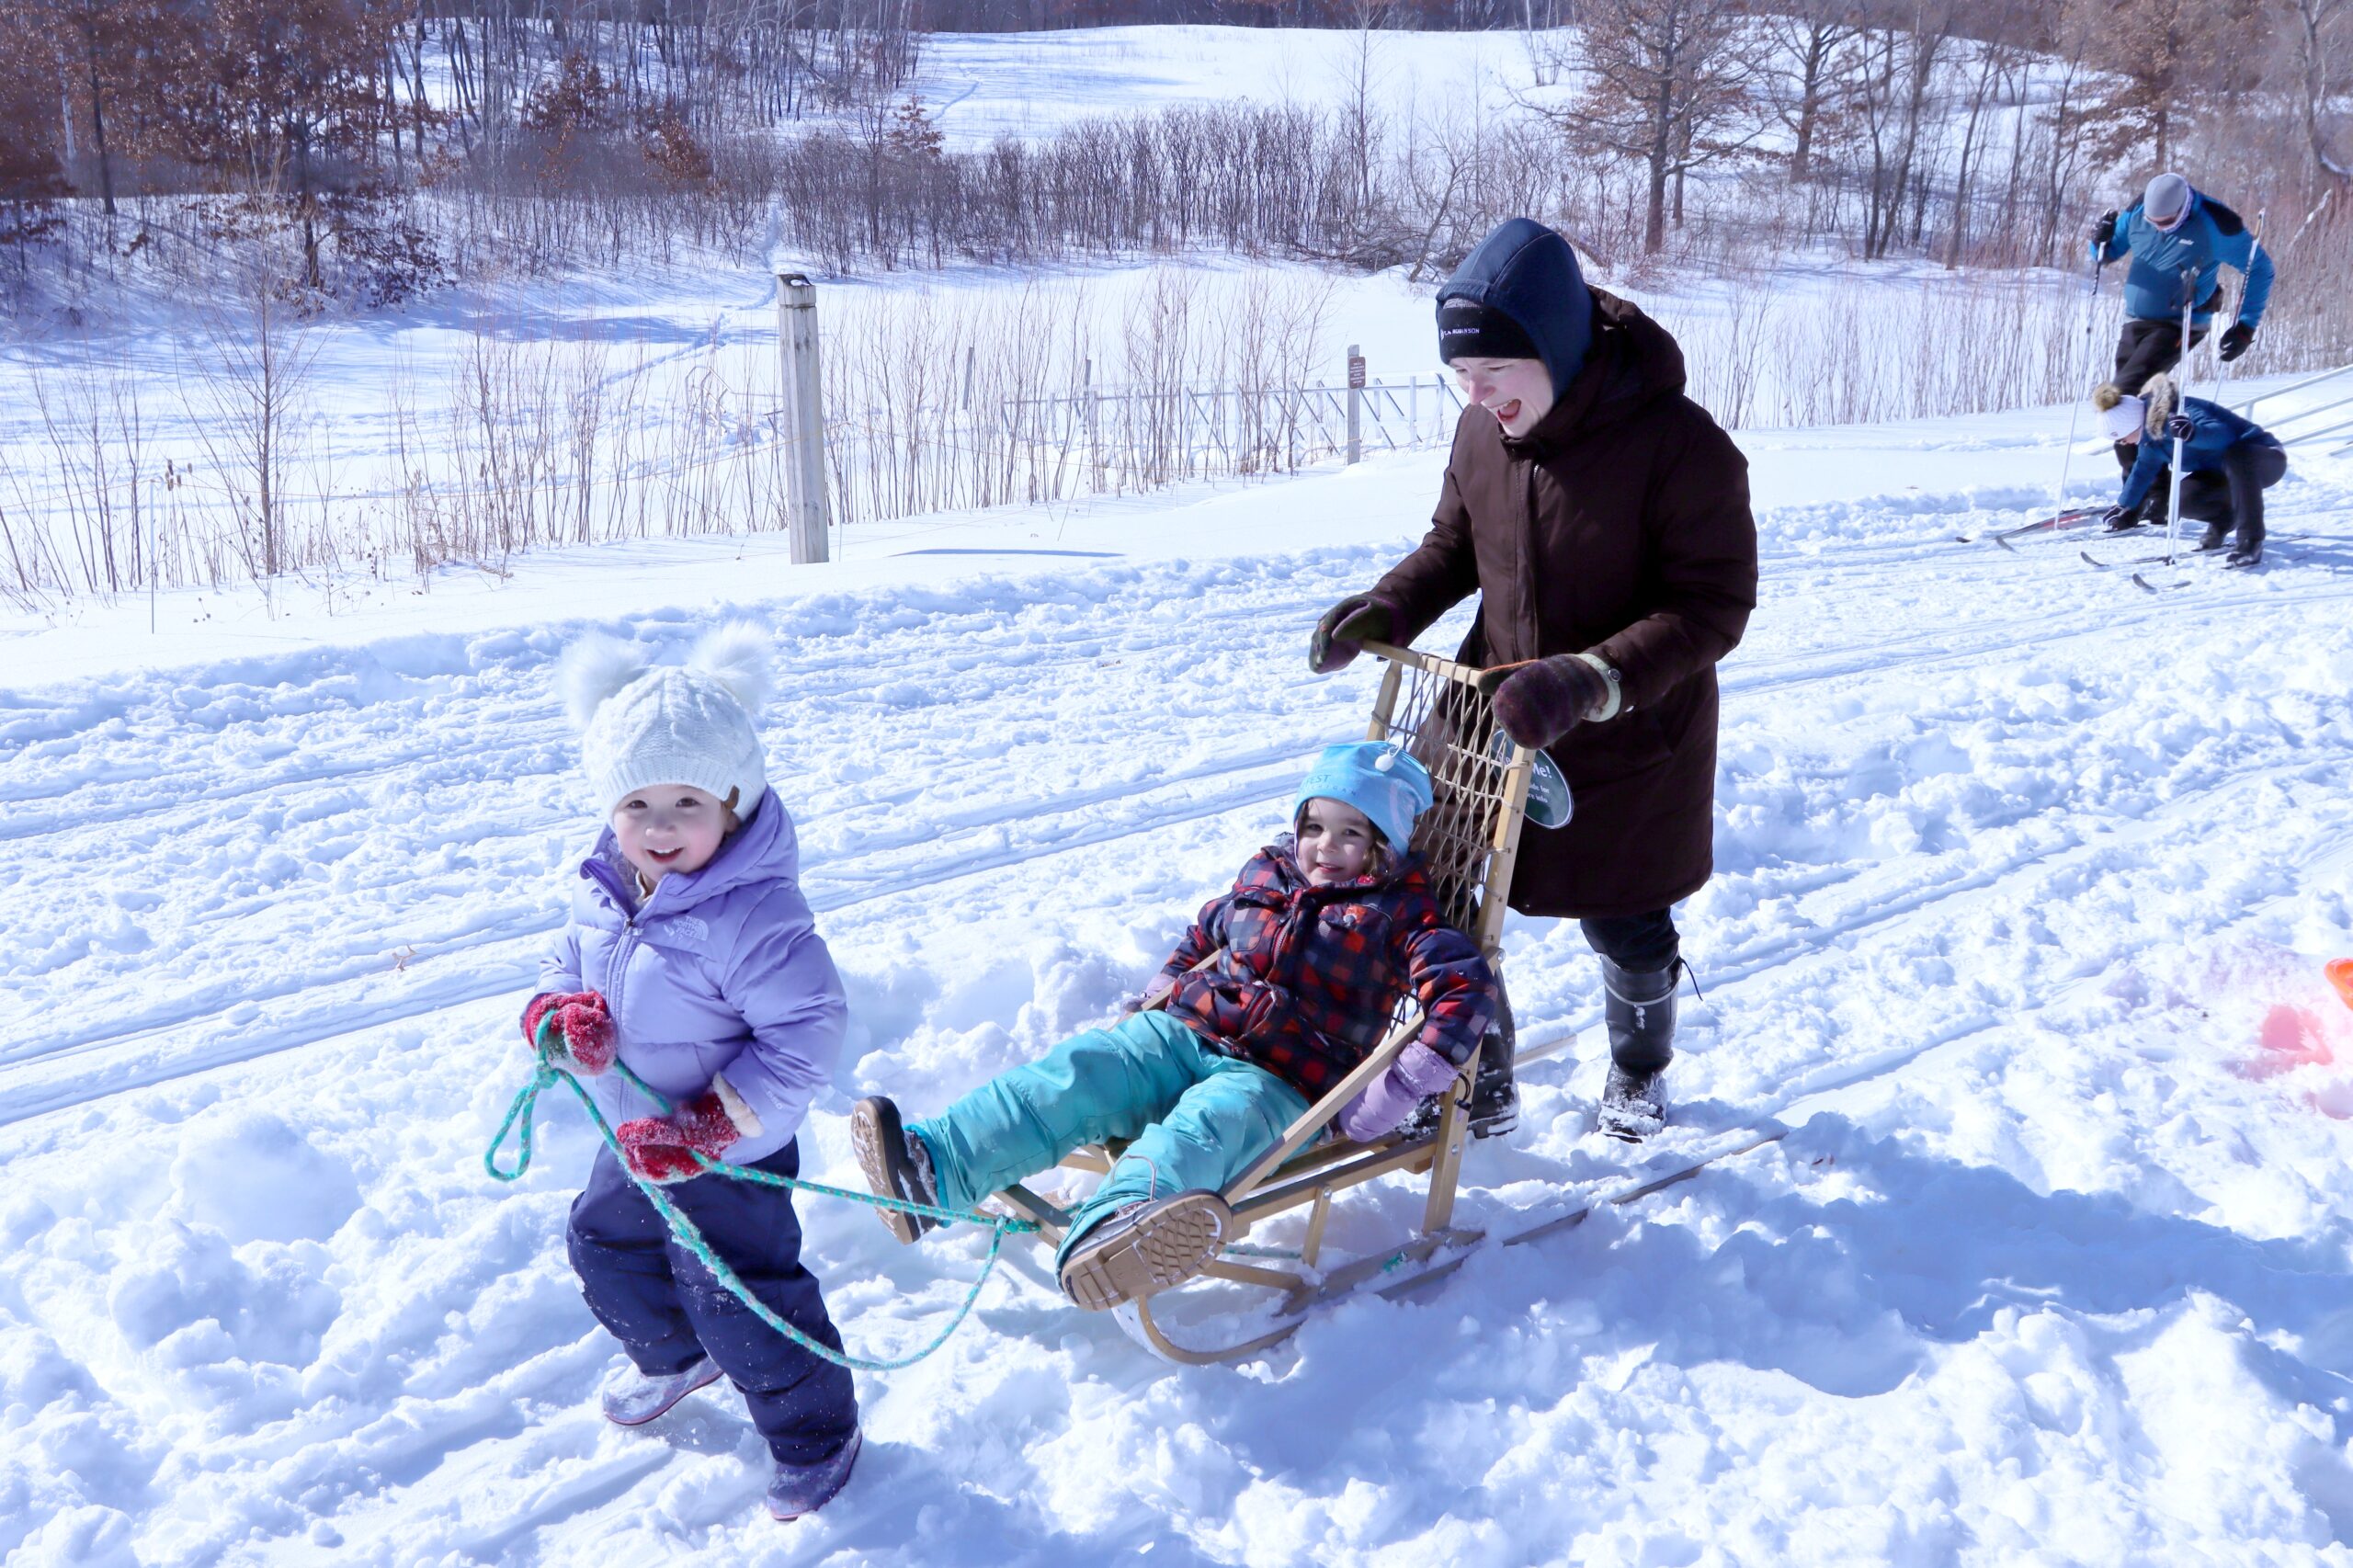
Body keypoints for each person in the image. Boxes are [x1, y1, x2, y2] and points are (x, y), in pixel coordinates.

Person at [1305, 216, 1757, 1142]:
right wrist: (1388, 609)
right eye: (1462, 375)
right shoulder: (1484, 431)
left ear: (1556, 347)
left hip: (1628, 730)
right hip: (1494, 715)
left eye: (1495, 372)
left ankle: (1639, 1071)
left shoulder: (1679, 446)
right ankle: (1481, 1075)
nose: (1476, 396)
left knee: (1626, 923)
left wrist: (1590, 678)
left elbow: (1712, 605)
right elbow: (1454, 545)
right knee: (1443, 900)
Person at [850, 743, 1496, 1311]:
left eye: (1352, 833)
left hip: (1282, 1081)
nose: (1325, 846)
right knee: (1080, 1072)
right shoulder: (1269, 871)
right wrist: (1162, 989)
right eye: (1314, 826)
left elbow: (1465, 992)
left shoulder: (1399, 915)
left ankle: (1121, 1231)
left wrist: (1394, 1092)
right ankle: (934, 1166)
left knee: (1206, 1130)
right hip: (1187, 1029)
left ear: (1385, 847)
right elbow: (1208, 931)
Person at [524, 624, 860, 1523]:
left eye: (687, 801)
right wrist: (560, 1014)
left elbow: (806, 1033)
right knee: (603, 1244)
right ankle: (677, 1355)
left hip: (731, 1149)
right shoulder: (604, 885)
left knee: (738, 1297)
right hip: (635, 1136)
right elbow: (565, 958)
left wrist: (708, 1128)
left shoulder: (755, 914)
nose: (660, 826)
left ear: (734, 805)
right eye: (637, 802)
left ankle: (817, 1435)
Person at [2091, 172, 2273, 518]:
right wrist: (2097, 241)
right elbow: (2106, 253)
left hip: (2182, 322)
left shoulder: (2216, 223)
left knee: (2121, 401)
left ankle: (2147, 496)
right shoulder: (2137, 212)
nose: (2159, 227)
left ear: (2185, 207)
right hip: (2136, 320)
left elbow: (2261, 269)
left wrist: (2245, 327)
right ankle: (2152, 493)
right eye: (2153, 222)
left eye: (2167, 223)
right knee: (2125, 401)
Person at [2095, 378, 2286, 568]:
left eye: (2121, 438)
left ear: (2131, 425)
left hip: (2262, 458)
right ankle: (2225, 520)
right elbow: (2142, 472)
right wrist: (2124, 505)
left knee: (2236, 455)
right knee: (2182, 498)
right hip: (2222, 473)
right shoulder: (2150, 442)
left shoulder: (2180, 410)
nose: (2123, 443)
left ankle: (2250, 541)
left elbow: (2223, 434)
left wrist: (2193, 433)